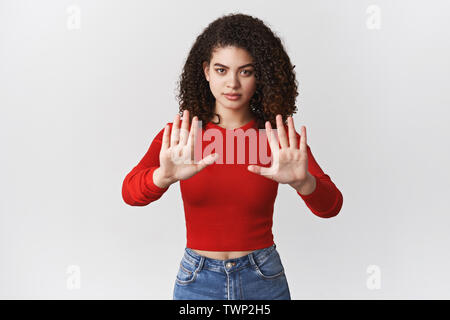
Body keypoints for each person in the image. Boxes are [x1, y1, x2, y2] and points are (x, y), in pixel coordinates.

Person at [122, 13, 343, 300]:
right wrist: (162, 177)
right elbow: (129, 192)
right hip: (197, 279)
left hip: (263, 277)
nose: (233, 84)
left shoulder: (279, 138)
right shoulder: (181, 137)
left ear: (259, 75)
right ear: (206, 71)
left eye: (246, 71)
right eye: (222, 70)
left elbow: (332, 205)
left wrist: (304, 183)